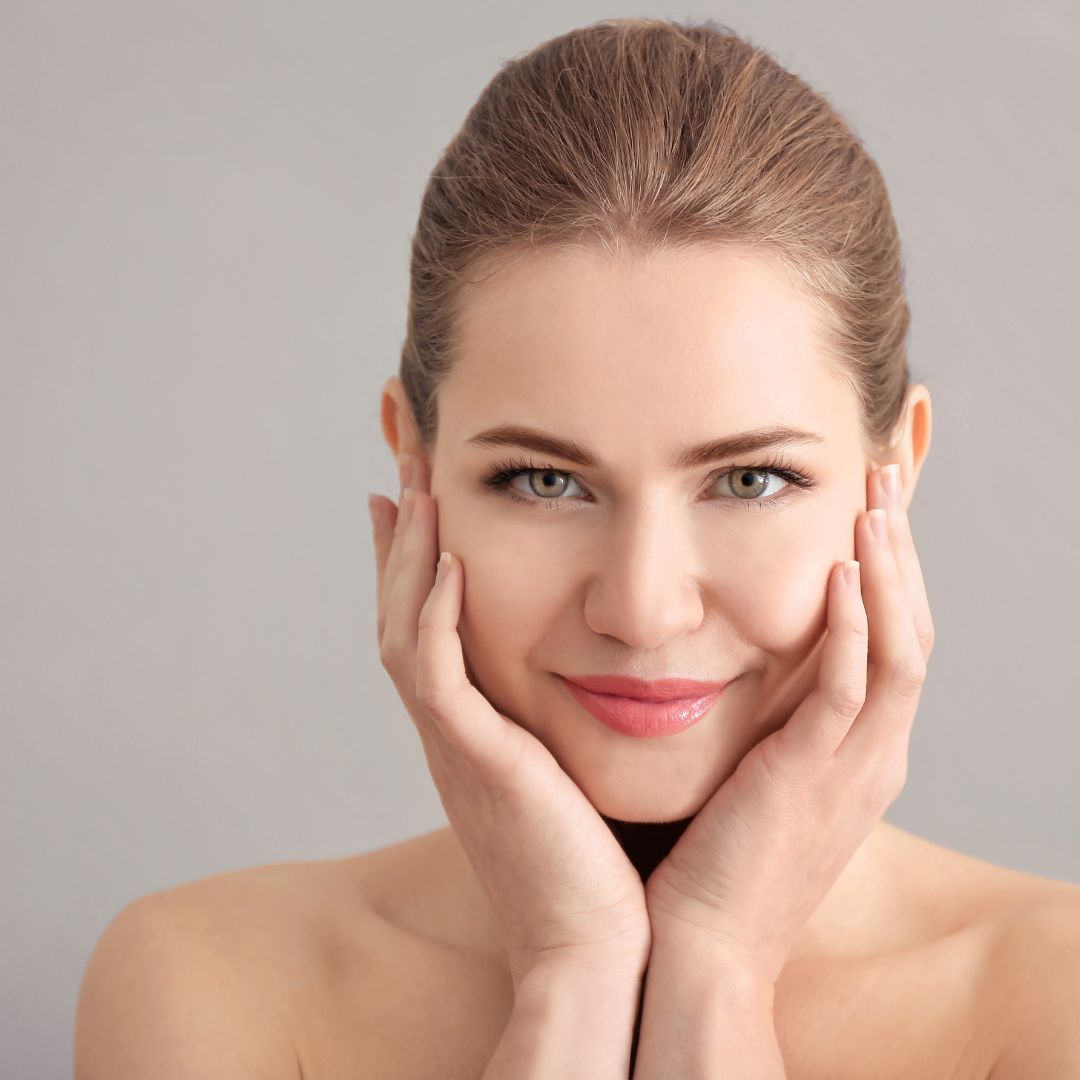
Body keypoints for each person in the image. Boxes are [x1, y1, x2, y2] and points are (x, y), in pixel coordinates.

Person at [75, 16, 1080, 1079]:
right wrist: (574, 972)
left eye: (750, 480)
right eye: (545, 481)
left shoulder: (1051, 1002)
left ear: (896, 471)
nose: (643, 609)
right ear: (415, 464)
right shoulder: (210, 987)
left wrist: (721, 969)